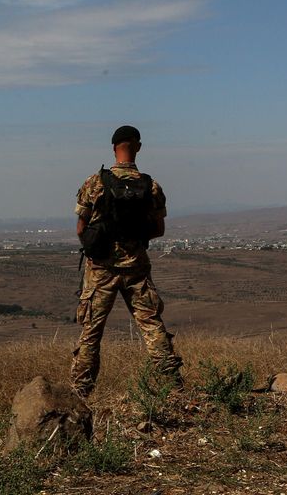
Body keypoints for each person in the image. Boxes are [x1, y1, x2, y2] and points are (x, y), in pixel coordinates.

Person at [70, 125, 182, 398]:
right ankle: (173, 389)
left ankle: (80, 393)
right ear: (138, 147)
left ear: (113, 148)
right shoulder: (151, 186)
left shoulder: (94, 183)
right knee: (152, 325)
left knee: (91, 332)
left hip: (101, 270)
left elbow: (80, 229)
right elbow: (158, 230)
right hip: (136, 268)